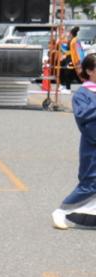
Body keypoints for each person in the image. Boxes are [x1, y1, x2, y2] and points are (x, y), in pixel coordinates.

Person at [53, 53, 96, 229]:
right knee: (91, 182)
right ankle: (61, 211)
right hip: (92, 146)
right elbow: (83, 117)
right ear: (90, 71)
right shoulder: (83, 94)